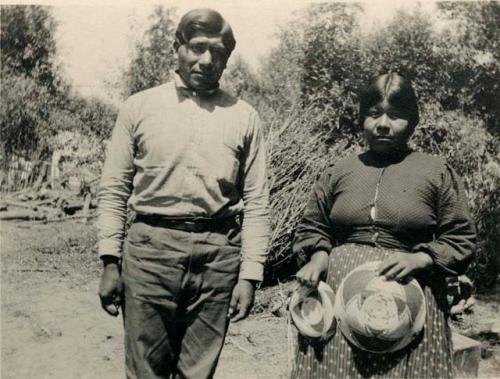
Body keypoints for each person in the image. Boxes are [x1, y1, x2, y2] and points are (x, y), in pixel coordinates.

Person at [97, 9, 270, 379]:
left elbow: (257, 202)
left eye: (218, 52)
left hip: (218, 258)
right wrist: (110, 261)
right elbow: (114, 190)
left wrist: (249, 276)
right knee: (146, 371)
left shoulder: (244, 117)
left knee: (197, 373)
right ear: (177, 48)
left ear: (227, 57)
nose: (207, 60)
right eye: (197, 48)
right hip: (150, 253)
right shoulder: (139, 108)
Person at [292, 73, 476, 379]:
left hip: (411, 299)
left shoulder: (435, 171)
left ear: (413, 122)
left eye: (396, 115)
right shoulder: (339, 171)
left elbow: (461, 237)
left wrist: (421, 258)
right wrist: (318, 256)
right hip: (341, 299)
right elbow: (313, 226)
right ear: (362, 118)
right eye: (374, 114)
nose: (383, 124)